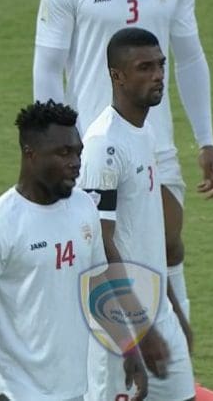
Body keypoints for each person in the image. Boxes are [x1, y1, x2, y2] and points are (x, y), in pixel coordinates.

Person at [33, 0, 213, 344]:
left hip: (155, 143)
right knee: (95, 251)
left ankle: (175, 352)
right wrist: (59, 148)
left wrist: (205, 139)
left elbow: (190, 57)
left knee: (168, 246)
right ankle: (105, 352)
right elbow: (48, 67)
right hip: (92, 147)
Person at [0, 101, 148, 401]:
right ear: (30, 154)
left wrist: (129, 348)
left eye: (78, 152)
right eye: (63, 153)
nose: (76, 162)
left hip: (72, 390)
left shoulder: (84, 208)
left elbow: (98, 283)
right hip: (15, 393)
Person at [77, 27, 196, 401]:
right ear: (117, 76)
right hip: (119, 325)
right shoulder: (104, 146)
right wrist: (139, 333)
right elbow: (99, 247)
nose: (158, 75)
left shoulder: (144, 133)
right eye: (145, 67)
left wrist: (174, 311)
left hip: (158, 312)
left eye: (160, 65)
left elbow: (148, 237)